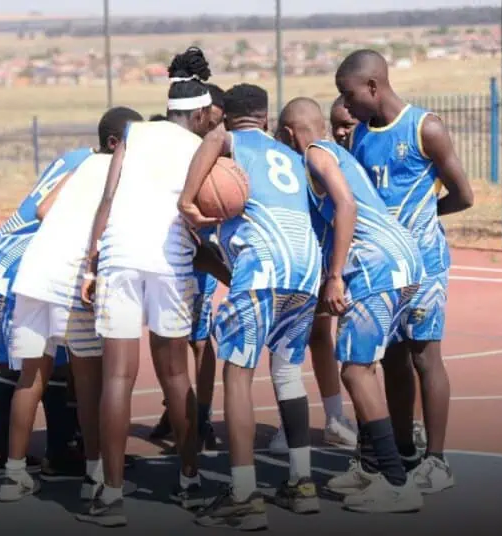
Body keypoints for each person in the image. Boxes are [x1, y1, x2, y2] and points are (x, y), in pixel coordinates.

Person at [76, 47, 221, 528]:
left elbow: (108, 198)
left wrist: (91, 265)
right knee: (175, 375)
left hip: (118, 254)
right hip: (169, 261)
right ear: (198, 114)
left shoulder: (133, 134)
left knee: (118, 377)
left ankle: (110, 496)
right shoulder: (202, 145)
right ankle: (190, 482)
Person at [179, 84, 323, 530]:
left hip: (263, 265)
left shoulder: (228, 141)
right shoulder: (294, 157)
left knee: (237, 373)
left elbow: (214, 140)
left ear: (225, 116)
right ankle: (302, 484)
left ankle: (243, 494)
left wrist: (187, 199)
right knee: (287, 371)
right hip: (307, 268)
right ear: (265, 118)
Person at [277, 97, 425, 513]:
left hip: (376, 267)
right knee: (366, 366)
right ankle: (373, 469)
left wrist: (336, 275)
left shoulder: (315, 154)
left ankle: (397, 482)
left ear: (288, 134)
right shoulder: (338, 152)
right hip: (401, 261)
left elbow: (346, 204)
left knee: (355, 371)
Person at [336, 49, 474, 494]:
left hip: (425, 265)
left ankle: (437, 460)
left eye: (349, 95)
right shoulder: (360, 136)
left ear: (373, 86)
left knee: (424, 356)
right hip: (384, 269)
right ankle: (401, 449)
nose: (346, 105)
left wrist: (423, 217)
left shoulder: (424, 127)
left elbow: (464, 195)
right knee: (391, 357)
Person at [0, 107, 142, 503]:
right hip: (71, 279)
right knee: (90, 382)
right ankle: (96, 474)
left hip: (34, 274)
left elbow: (43, 210)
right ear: (118, 143)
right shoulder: (123, 173)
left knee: (30, 378)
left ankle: (14, 475)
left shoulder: (83, 165)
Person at [0, 145, 92, 482]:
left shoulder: (77, 155)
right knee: (53, 357)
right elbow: (47, 211)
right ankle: (61, 451)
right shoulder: (98, 168)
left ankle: (4, 451)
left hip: (2, 253)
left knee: (14, 359)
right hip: (27, 260)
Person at [330, 96, 428, 452]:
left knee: (408, 355)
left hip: (402, 260)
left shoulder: (385, 147)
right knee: (375, 359)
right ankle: (373, 450)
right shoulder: (341, 162)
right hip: (372, 265)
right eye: (335, 126)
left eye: (347, 125)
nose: (341, 132)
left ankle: (409, 439)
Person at [150, 81, 227, 452]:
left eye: (217, 118)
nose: (212, 122)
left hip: (199, 250)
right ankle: (176, 408)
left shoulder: (217, 150)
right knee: (169, 339)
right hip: (167, 247)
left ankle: (202, 416)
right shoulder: (175, 145)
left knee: (198, 338)